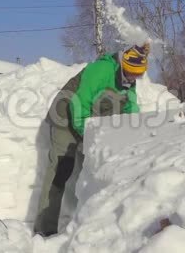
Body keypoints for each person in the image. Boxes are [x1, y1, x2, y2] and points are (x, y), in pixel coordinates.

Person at [34, 43, 150, 236]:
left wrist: (136, 133)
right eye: (130, 74)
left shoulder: (130, 77)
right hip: (66, 115)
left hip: (90, 119)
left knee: (97, 171)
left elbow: (130, 108)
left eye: (137, 76)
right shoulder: (102, 69)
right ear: (123, 64)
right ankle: (44, 230)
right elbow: (80, 101)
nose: (133, 79)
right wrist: (87, 135)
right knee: (60, 170)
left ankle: (91, 229)